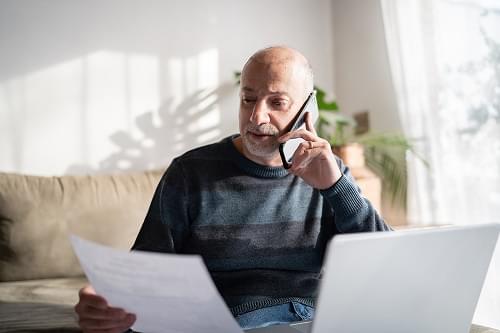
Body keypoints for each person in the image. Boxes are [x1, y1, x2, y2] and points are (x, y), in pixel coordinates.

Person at [74, 46, 391, 333]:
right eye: (248, 99)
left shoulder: (329, 172)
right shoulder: (190, 173)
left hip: (311, 323)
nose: (256, 116)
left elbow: (387, 264)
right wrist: (110, 303)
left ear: (308, 111)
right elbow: (146, 271)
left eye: (277, 102)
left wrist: (336, 187)